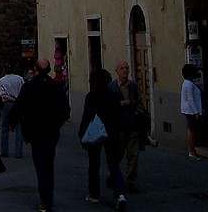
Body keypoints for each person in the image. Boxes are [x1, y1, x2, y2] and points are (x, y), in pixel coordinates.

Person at [10, 59, 69, 212]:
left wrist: (13, 122)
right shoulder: (56, 87)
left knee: (40, 166)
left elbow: (19, 106)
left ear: (35, 69)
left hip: (35, 133)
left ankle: (45, 200)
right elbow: (65, 111)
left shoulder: (29, 86)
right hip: (51, 132)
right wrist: (57, 124)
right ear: (49, 70)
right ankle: (48, 197)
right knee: (49, 164)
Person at [79, 69, 126, 210]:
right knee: (113, 165)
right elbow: (118, 115)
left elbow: (86, 117)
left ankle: (94, 193)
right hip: (111, 133)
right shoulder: (113, 95)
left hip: (95, 133)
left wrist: (82, 134)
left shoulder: (91, 96)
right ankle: (120, 194)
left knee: (94, 164)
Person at [108, 61, 140, 192]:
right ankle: (113, 176)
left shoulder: (133, 86)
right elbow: (108, 106)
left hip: (132, 126)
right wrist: (121, 104)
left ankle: (130, 182)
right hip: (118, 127)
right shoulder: (111, 87)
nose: (125, 70)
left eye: (127, 68)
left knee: (133, 155)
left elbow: (138, 102)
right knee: (118, 155)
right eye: (122, 68)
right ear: (117, 71)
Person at [0, 65, 25, 158]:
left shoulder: (1, 80)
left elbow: (3, 95)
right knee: (19, 128)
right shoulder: (20, 79)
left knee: (5, 128)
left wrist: (12, 98)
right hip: (19, 104)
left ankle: (5, 151)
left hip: (8, 104)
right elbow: (23, 90)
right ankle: (18, 152)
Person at [181, 64, 203, 159]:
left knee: (191, 130)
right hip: (191, 111)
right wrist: (196, 112)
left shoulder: (186, 83)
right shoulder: (189, 84)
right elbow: (190, 99)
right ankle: (192, 151)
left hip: (188, 110)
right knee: (192, 131)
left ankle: (192, 150)